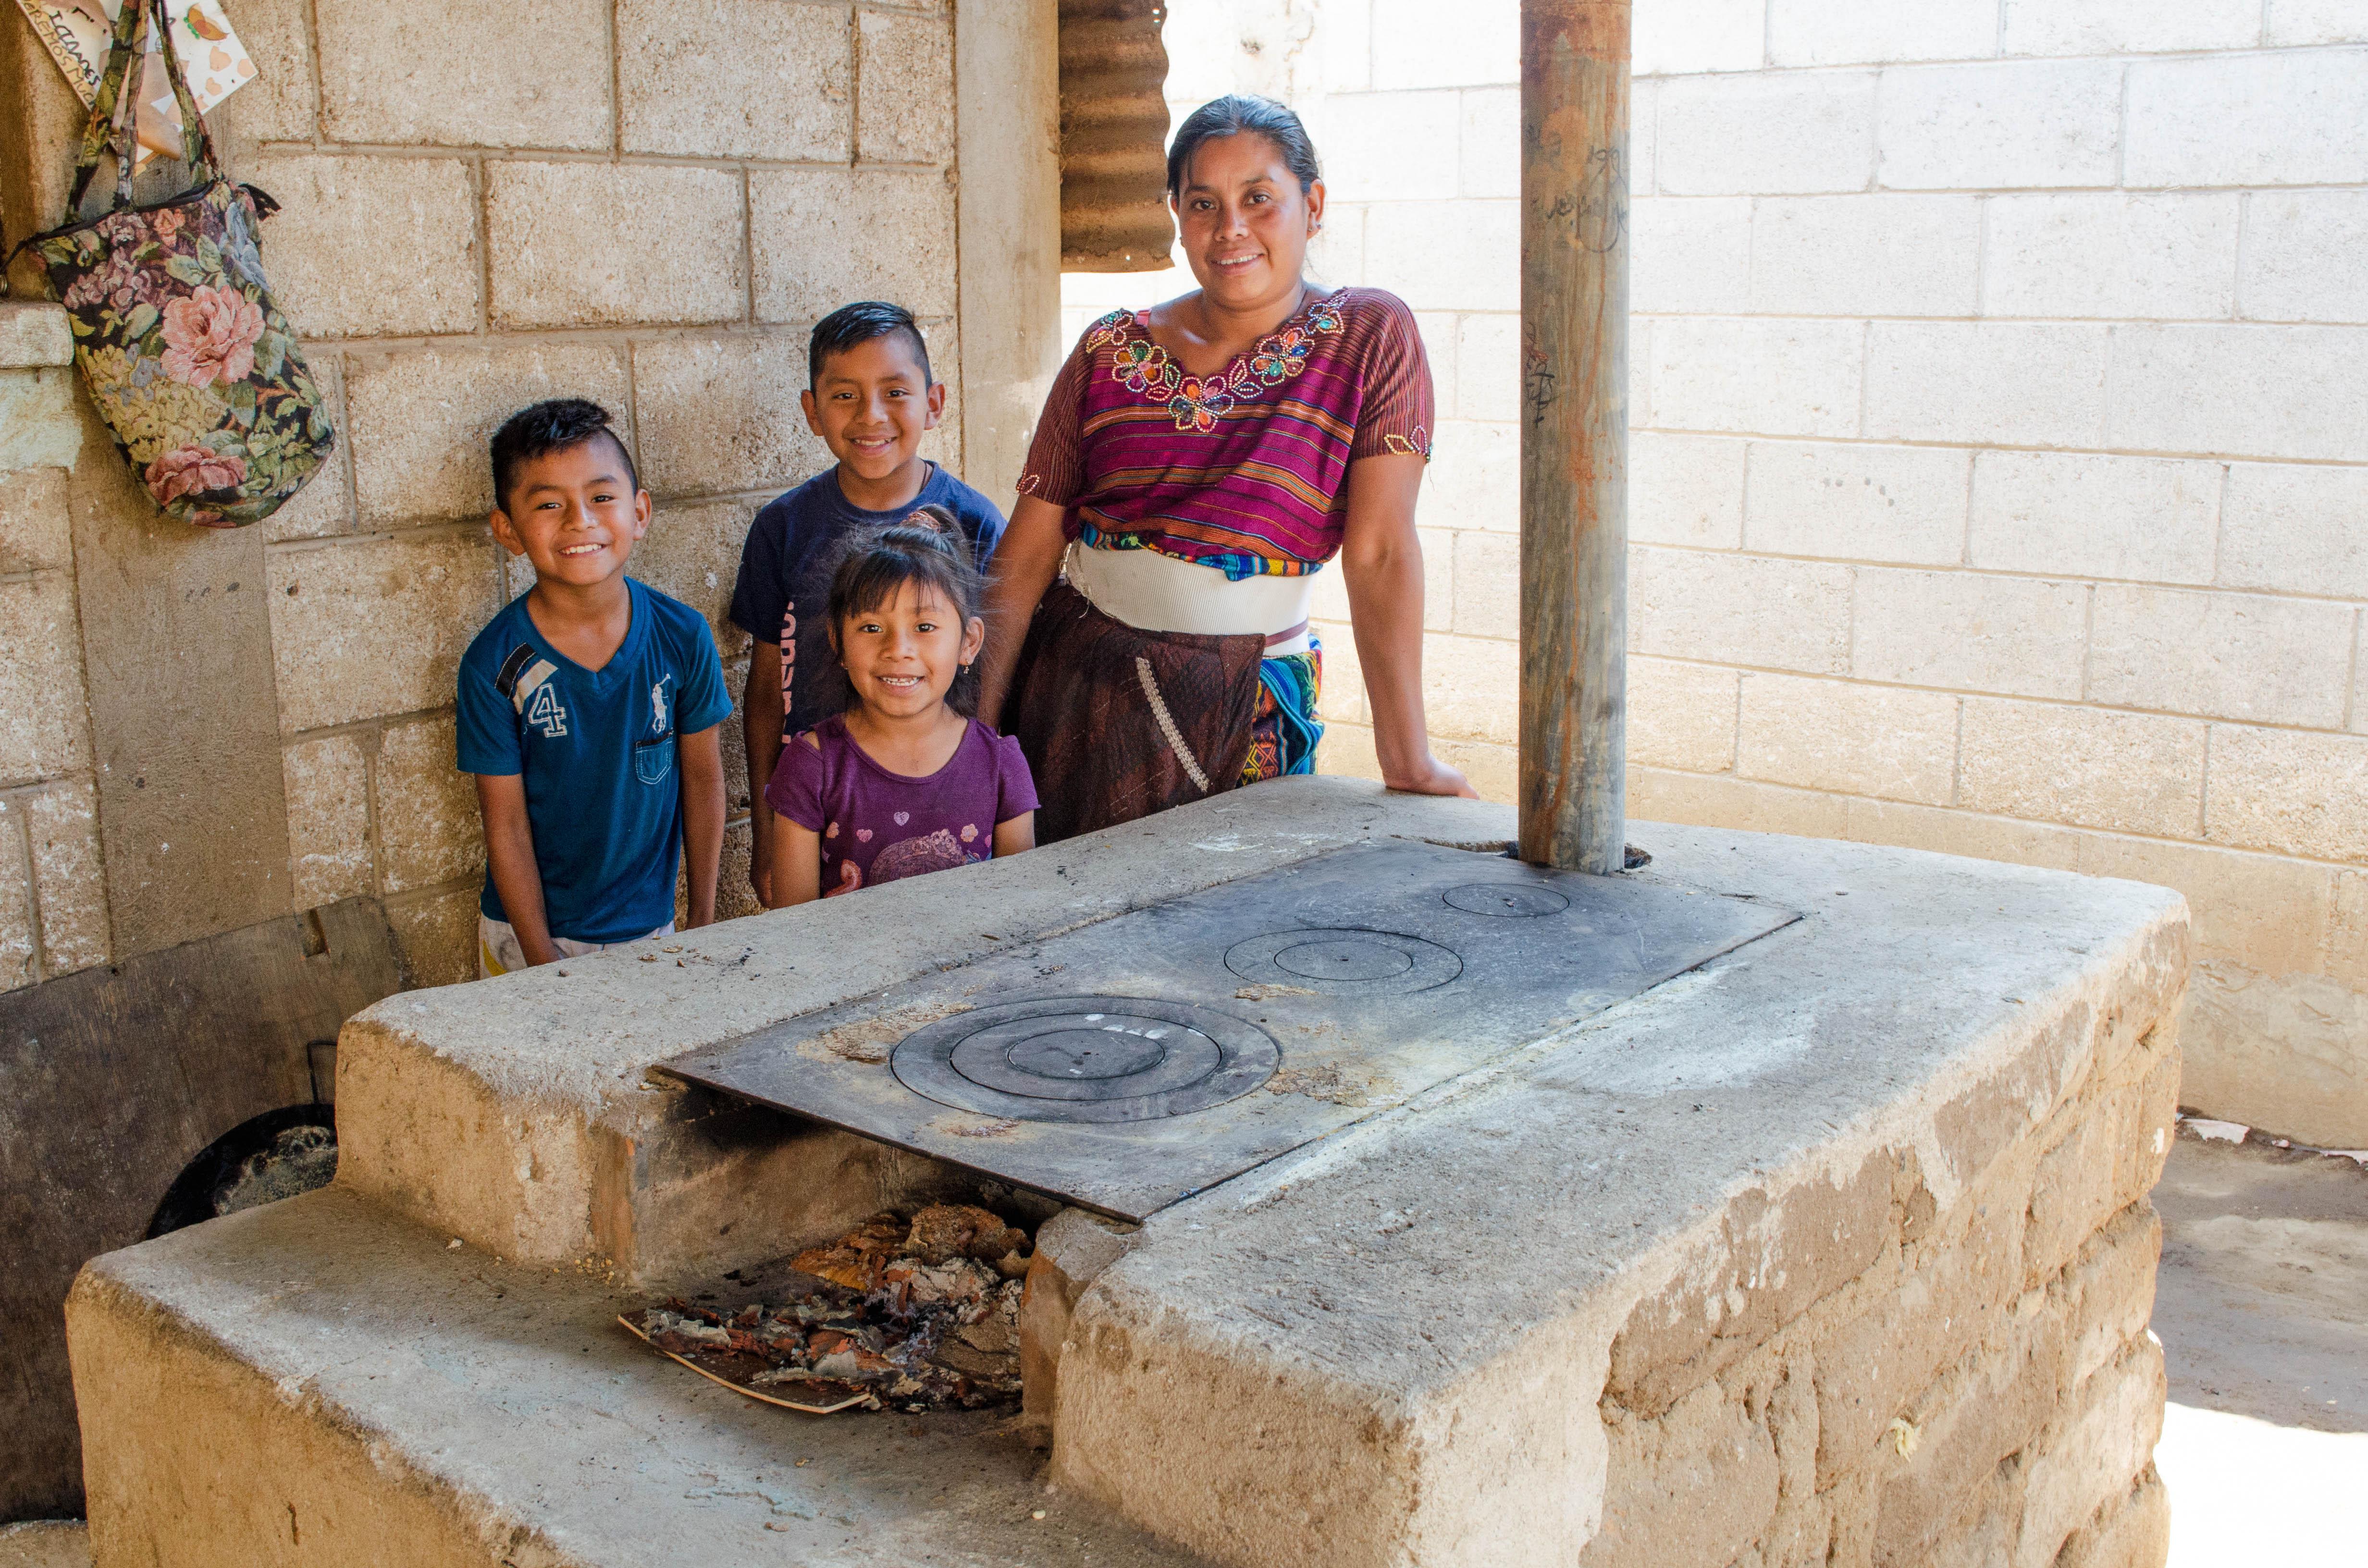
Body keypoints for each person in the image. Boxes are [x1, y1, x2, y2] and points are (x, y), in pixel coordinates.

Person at [974, 94, 1477, 843]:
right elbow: (1026, 556)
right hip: (1079, 695)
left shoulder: (1370, 336)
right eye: (1203, 202)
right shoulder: (1107, 350)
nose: (1230, 228)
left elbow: (1378, 550)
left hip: (1250, 710)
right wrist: (973, 742)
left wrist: (1406, 755)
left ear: (1313, 206)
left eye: (1258, 199)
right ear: (1175, 212)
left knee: (1236, 938)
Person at [730, 300, 1008, 907]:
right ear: (812, 411)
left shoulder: (975, 524)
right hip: (820, 806)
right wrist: (763, 838)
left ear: (933, 404)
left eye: (894, 392)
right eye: (845, 396)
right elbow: (761, 693)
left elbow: (999, 673)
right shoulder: (784, 528)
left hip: (947, 804)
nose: (871, 416)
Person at [457, 399, 731, 975]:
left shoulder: (682, 635)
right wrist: (541, 961)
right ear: (507, 529)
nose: (579, 519)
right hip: (526, 935)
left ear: (640, 512)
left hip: (650, 931)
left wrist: (704, 918)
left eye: (601, 498)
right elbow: (504, 823)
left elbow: (703, 780)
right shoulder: (495, 663)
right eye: (549, 504)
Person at [767, 515, 1036, 903]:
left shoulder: (1001, 765)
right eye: (872, 628)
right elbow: (793, 925)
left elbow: (1018, 909)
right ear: (838, 641)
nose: (898, 649)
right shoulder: (812, 766)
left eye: (925, 627)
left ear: (969, 642)